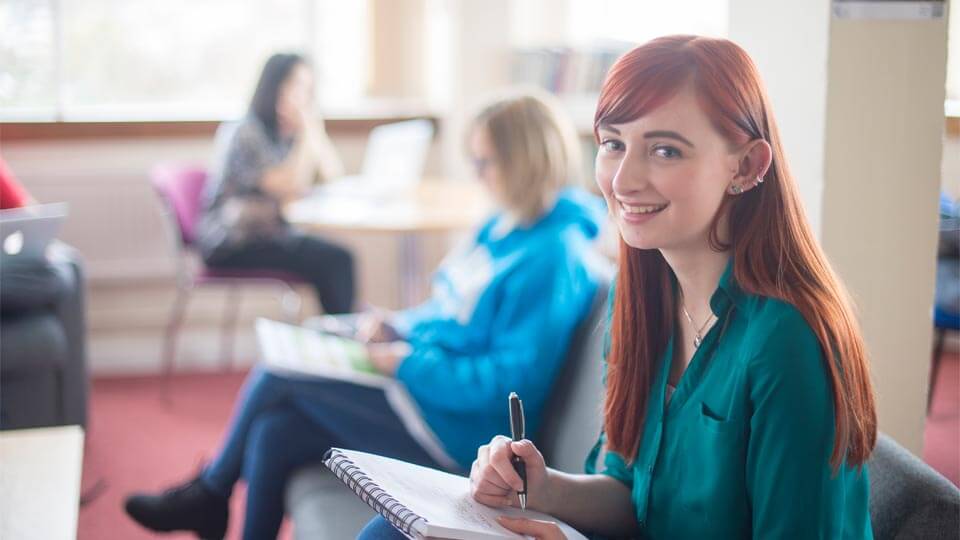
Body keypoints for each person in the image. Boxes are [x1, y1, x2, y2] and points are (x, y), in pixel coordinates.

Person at [361, 35, 878, 540]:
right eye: (613, 143)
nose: (624, 179)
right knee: (389, 529)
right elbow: (632, 494)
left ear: (746, 166)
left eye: (666, 150)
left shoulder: (789, 340)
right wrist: (540, 487)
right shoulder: (643, 299)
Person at [124, 90, 608, 540]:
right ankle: (210, 495)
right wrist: (398, 325)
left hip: (464, 435)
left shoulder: (554, 257)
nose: (477, 173)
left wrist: (404, 362)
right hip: (424, 396)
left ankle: (210, 493)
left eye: (487, 162)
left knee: (281, 373)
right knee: (277, 429)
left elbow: (504, 387)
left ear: (525, 162)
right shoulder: (503, 224)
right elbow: (447, 311)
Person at [196, 52, 355, 314]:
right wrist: (307, 131)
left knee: (334, 258)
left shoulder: (286, 135)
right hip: (233, 240)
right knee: (336, 260)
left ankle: (335, 339)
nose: (304, 97)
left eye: (308, 88)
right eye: (298, 86)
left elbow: (333, 176)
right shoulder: (245, 131)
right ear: (276, 88)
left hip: (268, 235)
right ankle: (339, 343)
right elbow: (288, 184)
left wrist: (314, 130)